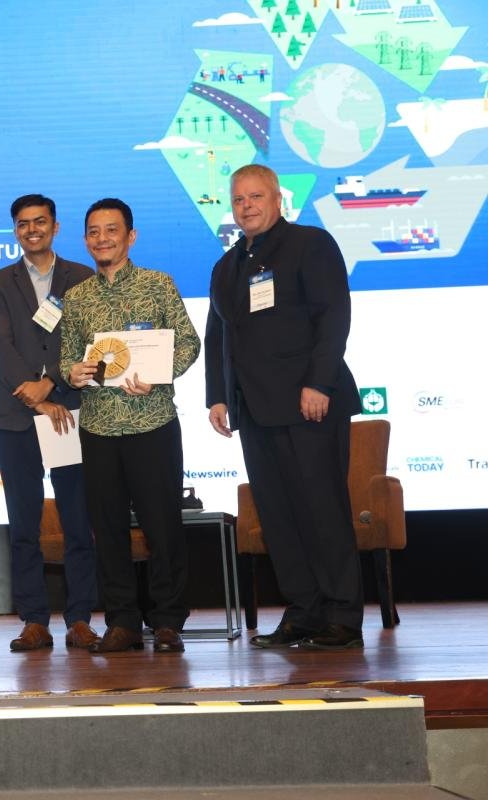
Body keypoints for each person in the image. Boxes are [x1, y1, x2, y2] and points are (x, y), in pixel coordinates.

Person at [205, 164, 363, 650]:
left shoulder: (310, 244)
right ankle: (304, 612)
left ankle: (342, 615)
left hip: (309, 404)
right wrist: (217, 395)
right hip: (254, 409)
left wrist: (319, 383)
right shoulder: (227, 266)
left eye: (256, 197)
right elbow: (218, 335)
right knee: (278, 516)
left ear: (278, 200)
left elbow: (334, 316)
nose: (246, 206)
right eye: (238, 199)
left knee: (322, 510)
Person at [60, 198, 200, 654]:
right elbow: (67, 359)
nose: (102, 239)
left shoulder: (158, 285)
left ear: (130, 236)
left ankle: (167, 621)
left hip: (153, 423)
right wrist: (72, 372)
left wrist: (159, 374)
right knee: (108, 530)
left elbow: (189, 343)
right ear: (86, 240)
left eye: (111, 230)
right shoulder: (77, 298)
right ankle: (122, 622)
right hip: (99, 428)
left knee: (163, 527)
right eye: (94, 232)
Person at [0, 194, 100, 652]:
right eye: (23, 224)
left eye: (40, 222)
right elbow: (1, 347)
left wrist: (50, 385)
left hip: (70, 409)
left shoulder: (82, 277)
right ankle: (34, 619)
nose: (31, 230)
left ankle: (80, 618)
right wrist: (35, 398)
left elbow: (89, 341)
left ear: (55, 226)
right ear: (15, 230)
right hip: (16, 416)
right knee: (23, 524)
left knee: (78, 521)